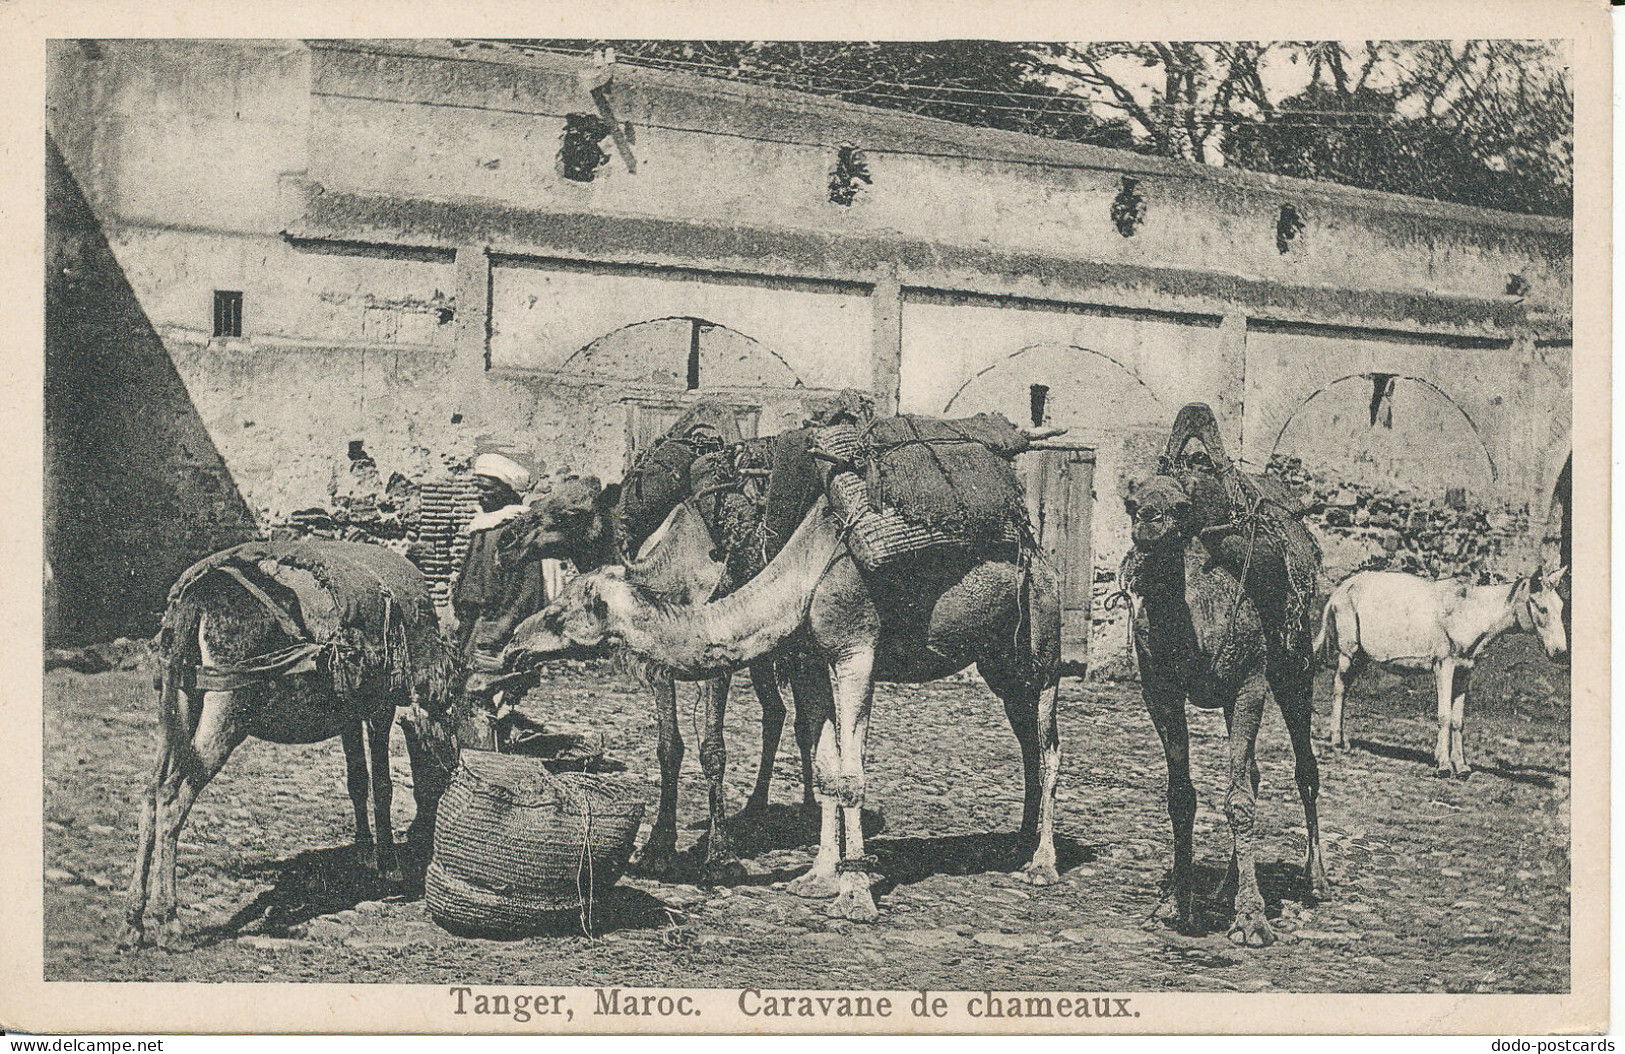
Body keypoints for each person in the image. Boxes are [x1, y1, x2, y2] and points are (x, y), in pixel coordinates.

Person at [451, 453, 543, 747]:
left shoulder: (518, 528)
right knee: (467, 692)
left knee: (491, 690)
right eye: (478, 487)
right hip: (473, 625)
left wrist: (502, 629)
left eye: (487, 488)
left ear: (506, 490)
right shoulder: (483, 525)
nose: (481, 493)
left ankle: (492, 753)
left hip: (499, 626)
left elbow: (528, 591)